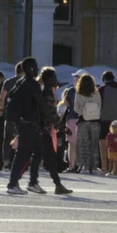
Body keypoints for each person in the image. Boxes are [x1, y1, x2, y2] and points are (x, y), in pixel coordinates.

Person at [6, 57, 45, 195]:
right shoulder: (32, 83)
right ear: (30, 68)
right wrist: (53, 118)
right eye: (35, 67)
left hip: (23, 122)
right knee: (23, 152)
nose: (37, 69)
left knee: (37, 150)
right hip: (27, 123)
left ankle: (32, 182)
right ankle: (13, 183)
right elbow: (41, 103)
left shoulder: (20, 82)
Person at [38, 67, 73, 195]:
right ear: (48, 79)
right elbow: (50, 113)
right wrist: (62, 127)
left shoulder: (44, 91)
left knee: (46, 156)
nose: (56, 80)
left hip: (42, 129)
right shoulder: (47, 93)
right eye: (54, 77)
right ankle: (17, 182)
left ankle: (57, 184)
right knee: (32, 156)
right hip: (43, 130)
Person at [74, 74, 102, 174]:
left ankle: (85, 167)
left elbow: (75, 109)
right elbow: (99, 106)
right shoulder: (96, 93)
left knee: (83, 144)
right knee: (94, 144)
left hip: (83, 120)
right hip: (95, 121)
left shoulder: (78, 94)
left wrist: (83, 110)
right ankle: (94, 167)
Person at [98, 71, 117, 172]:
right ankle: (116, 168)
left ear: (104, 79)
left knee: (103, 142)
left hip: (105, 118)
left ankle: (104, 167)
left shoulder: (102, 89)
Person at [0, 62, 24, 169]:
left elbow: (2, 98)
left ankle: (6, 162)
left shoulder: (8, 82)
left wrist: (1, 109)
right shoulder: (25, 82)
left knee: (7, 138)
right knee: (22, 137)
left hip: (9, 114)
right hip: (22, 115)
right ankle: (21, 162)